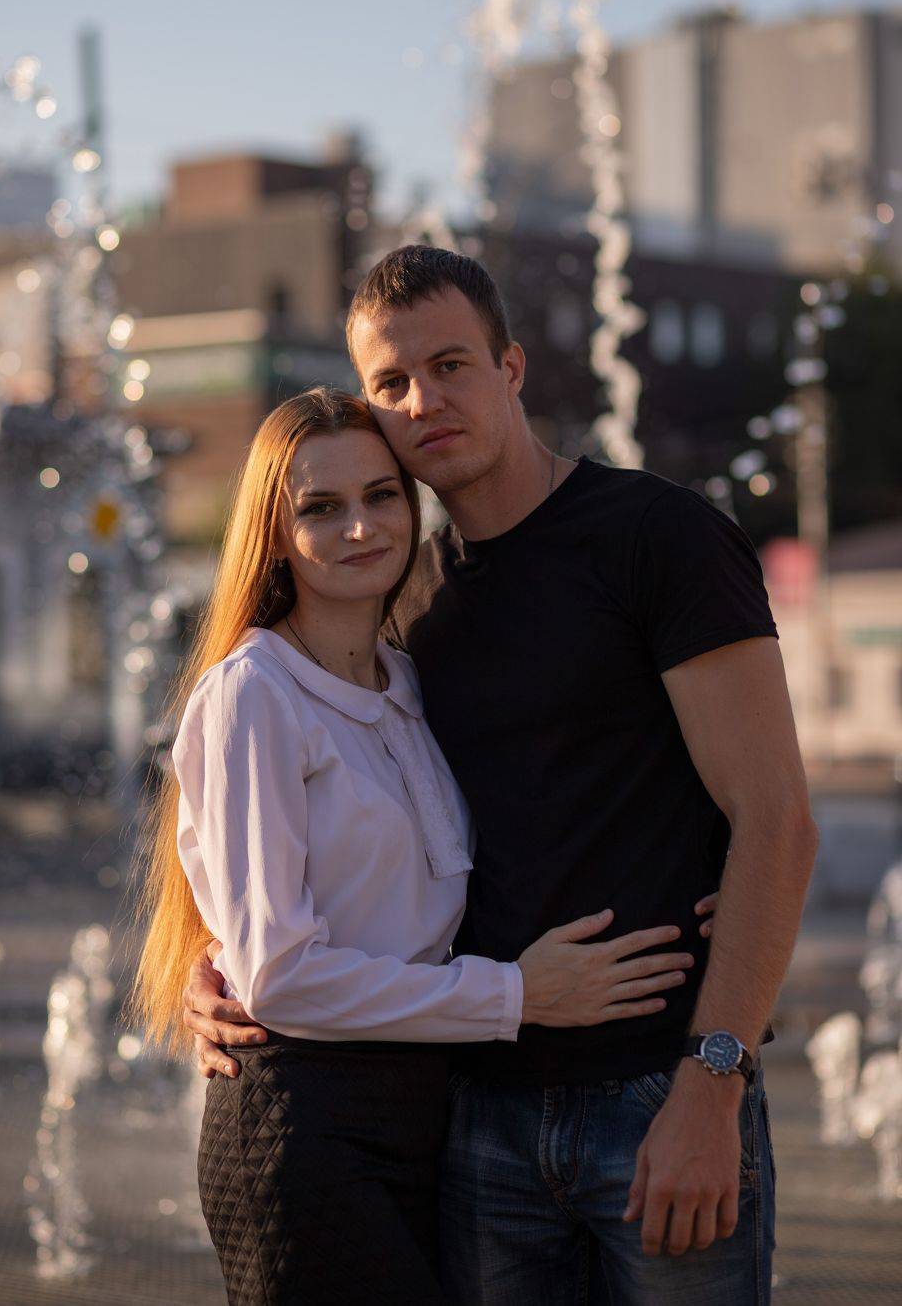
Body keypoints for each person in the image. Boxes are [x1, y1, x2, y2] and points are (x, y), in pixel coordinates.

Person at [183, 246, 818, 1305]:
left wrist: (715, 1081)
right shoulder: (403, 602)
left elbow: (779, 822)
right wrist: (222, 962)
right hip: (474, 1120)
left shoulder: (657, 538)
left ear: (512, 367)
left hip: (655, 1094)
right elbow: (294, 838)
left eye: (450, 366)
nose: (422, 402)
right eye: (391, 383)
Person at [129, 386, 711, 1306]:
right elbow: (281, 977)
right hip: (308, 1130)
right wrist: (517, 995)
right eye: (321, 508)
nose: (361, 527)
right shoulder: (254, 694)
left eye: (380, 496)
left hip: (427, 1116)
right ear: (274, 535)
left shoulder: (406, 679)